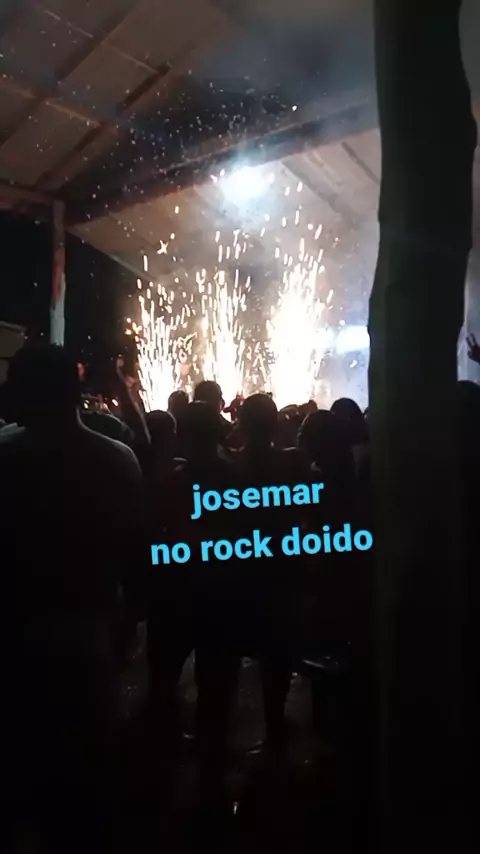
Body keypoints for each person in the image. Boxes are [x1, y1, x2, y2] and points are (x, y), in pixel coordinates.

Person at [0, 344, 145, 849]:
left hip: (18, 639)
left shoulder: (6, 457)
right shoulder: (117, 458)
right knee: (83, 779)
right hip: (90, 638)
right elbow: (136, 553)